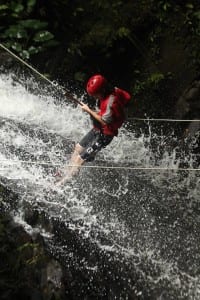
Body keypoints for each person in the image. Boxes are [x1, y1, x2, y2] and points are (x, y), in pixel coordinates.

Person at [55, 74, 131, 186]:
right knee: (78, 148)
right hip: (97, 129)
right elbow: (127, 98)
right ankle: (67, 171)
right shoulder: (115, 90)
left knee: (79, 160)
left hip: (105, 135)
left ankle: (62, 184)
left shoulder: (111, 101)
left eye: (96, 95)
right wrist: (119, 113)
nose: (95, 97)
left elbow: (104, 121)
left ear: (103, 90)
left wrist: (89, 111)